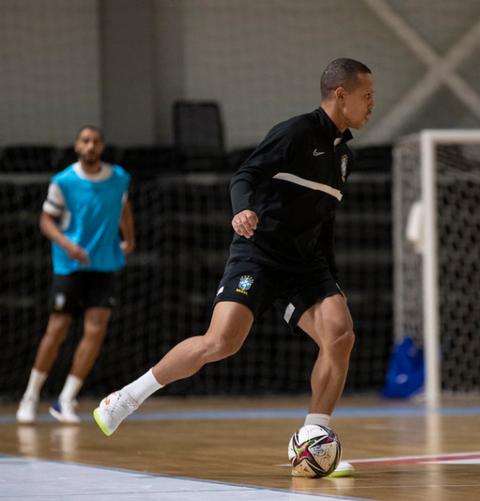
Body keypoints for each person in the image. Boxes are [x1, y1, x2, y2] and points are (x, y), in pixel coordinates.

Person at [93, 59, 374, 462]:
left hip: (307, 266)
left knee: (340, 334)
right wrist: (242, 210)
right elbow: (244, 175)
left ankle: (314, 439)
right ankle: (126, 398)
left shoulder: (344, 158)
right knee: (221, 342)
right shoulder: (296, 132)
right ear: (341, 95)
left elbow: (324, 222)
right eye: (367, 96)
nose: (371, 104)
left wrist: (331, 282)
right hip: (258, 255)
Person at [16, 126, 135, 424]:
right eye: (85, 140)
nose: (90, 145)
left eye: (95, 141)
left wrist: (129, 238)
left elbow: (124, 208)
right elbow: (46, 220)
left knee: (95, 331)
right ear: (77, 146)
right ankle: (30, 396)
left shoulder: (119, 178)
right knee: (57, 329)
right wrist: (67, 244)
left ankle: (66, 399)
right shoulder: (64, 181)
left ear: (102, 146)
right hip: (69, 266)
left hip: (104, 264)